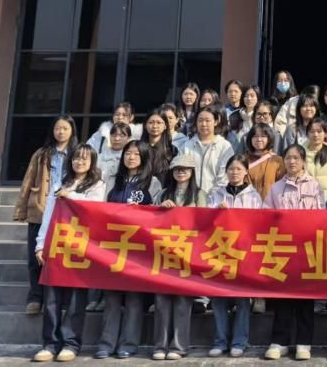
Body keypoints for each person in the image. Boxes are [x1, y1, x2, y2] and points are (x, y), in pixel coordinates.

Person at [31, 144, 104, 363]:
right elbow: (49, 215)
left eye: (84, 159)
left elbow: (95, 207)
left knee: (75, 299)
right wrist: (40, 244)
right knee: (51, 299)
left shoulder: (97, 185)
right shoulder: (60, 183)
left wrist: (70, 195)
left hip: (80, 247)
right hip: (57, 244)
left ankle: (71, 343)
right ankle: (50, 344)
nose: (79, 162)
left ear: (92, 162)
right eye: (76, 158)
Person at [97, 140, 162, 359]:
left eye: (136, 154)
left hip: (138, 249)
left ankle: (129, 343)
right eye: (128, 153)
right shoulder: (112, 180)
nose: (131, 157)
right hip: (113, 247)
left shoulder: (152, 182)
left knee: (134, 298)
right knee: (112, 297)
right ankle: (106, 343)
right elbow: (99, 208)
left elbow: (157, 214)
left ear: (144, 158)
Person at [263, 144, 325, 361]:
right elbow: (265, 216)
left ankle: (303, 342)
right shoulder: (276, 188)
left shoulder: (314, 186)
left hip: (307, 248)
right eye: (288, 158)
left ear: (303, 161)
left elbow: (321, 215)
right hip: (283, 247)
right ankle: (279, 341)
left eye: (296, 158)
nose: (292, 162)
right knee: (282, 297)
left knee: (305, 297)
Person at [14, 114, 78, 316]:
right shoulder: (42, 154)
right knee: (35, 258)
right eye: (58, 128)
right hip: (40, 209)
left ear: (72, 131)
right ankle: (35, 297)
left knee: (62, 257)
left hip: (66, 211)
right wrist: (21, 209)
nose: (61, 132)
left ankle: (62, 298)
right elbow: (28, 180)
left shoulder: (77, 153)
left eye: (65, 128)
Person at [207, 154, 263, 357]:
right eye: (231, 169)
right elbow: (204, 220)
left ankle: (240, 341)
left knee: (242, 299)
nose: (234, 172)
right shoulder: (216, 194)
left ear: (246, 171)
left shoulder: (254, 196)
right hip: (220, 251)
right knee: (218, 298)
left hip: (243, 253)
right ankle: (220, 341)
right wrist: (217, 211)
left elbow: (259, 224)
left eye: (239, 169)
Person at [152, 152, 206, 360]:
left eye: (185, 169)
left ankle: (178, 346)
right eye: (177, 169)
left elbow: (204, 223)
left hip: (187, 254)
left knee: (183, 301)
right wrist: (161, 209)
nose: (180, 172)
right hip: (164, 252)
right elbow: (150, 220)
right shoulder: (164, 193)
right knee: (161, 300)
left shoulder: (199, 195)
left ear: (192, 172)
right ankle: (160, 345)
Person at [243, 123, 285, 315]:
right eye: (255, 136)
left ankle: (267, 295)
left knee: (269, 256)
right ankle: (253, 295)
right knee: (250, 256)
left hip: (271, 215)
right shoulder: (243, 160)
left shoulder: (277, 161)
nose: (259, 140)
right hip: (249, 214)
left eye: (263, 136)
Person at [184, 105, 234, 197]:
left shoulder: (224, 146)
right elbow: (182, 172)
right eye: (200, 120)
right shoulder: (187, 146)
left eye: (207, 120)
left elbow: (224, 177)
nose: (203, 124)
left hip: (216, 199)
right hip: (190, 198)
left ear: (216, 122)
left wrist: (210, 198)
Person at [142, 108, 177, 182]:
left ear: (165, 126)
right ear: (145, 125)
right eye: (151, 122)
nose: (155, 126)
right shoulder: (139, 148)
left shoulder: (172, 150)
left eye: (159, 122)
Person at [271, 70, 300, 135]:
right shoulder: (271, 102)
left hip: (292, 135)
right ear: (275, 83)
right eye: (280, 80)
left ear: (290, 82)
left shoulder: (296, 100)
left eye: (286, 80)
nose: (283, 83)